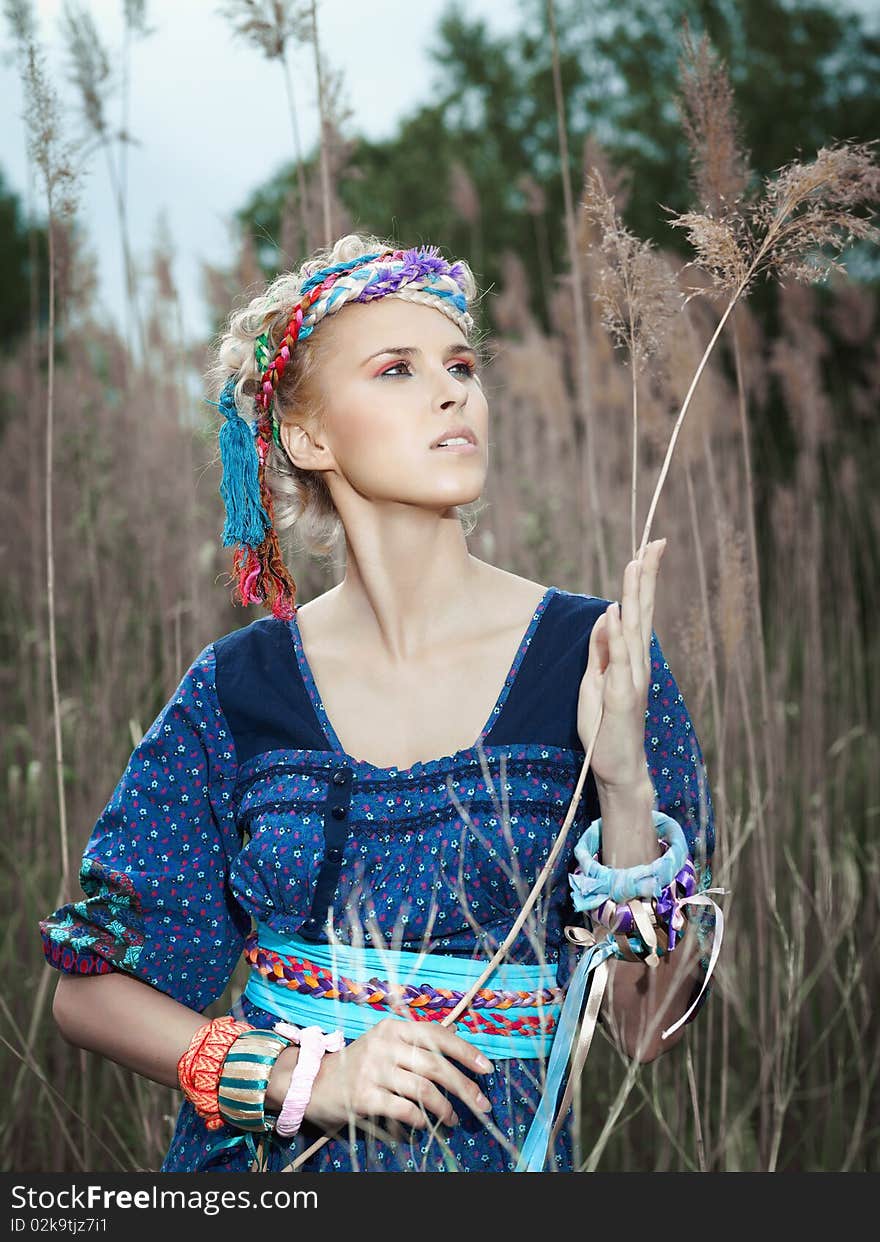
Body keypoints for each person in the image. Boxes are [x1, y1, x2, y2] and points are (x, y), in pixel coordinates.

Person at [40, 234, 717, 1174]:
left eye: (463, 367)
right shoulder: (237, 691)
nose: (453, 394)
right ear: (308, 437)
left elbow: (649, 1031)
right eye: (397, 369)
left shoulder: (592, 657)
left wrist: (627, 784)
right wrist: (300, 1077)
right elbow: (89, 998)